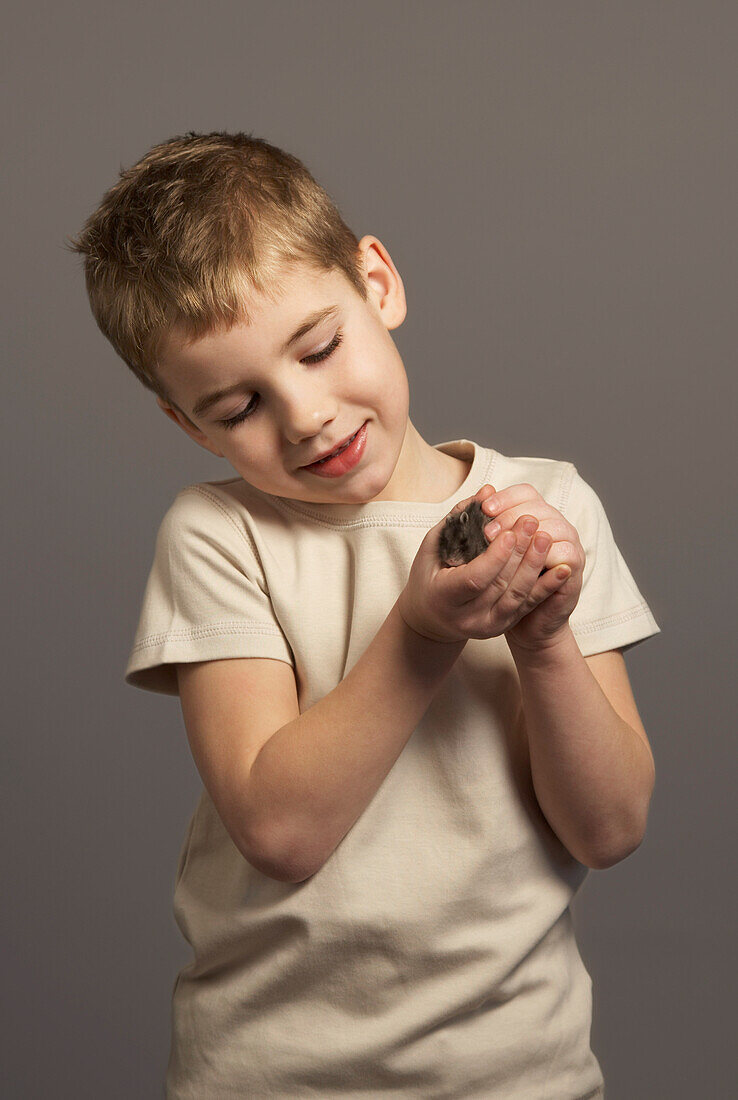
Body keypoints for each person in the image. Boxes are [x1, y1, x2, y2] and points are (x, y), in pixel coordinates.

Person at [68, 130, 660, 1099]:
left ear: (376, 282)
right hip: (273, 1075)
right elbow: (281, 829)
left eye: (318, 346)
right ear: (187, 424)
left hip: (521, 1072)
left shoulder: (548, 503)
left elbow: (609, 826)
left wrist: (543, 640)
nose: (304, 415)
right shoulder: (219, 533)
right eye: (237, 404)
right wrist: (422, 631)